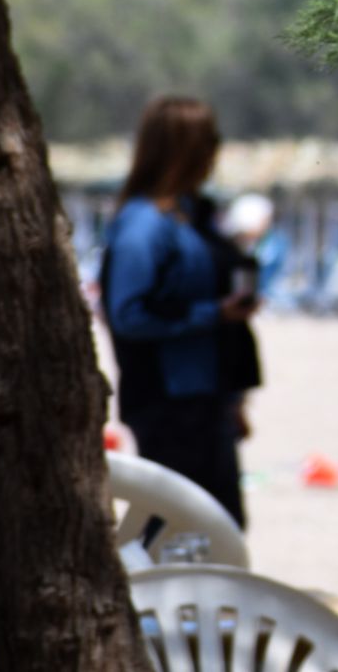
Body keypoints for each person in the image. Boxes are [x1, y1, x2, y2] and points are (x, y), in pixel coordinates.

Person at [101, 96, 260, 526]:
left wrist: (233, 400)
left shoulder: (191, 217)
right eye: (209, 142)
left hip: (206, 398)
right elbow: (128, 314)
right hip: (169, 402)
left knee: (220, 525)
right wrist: (212, 313)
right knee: (175, 527)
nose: (214, 152)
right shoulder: (143, 225)